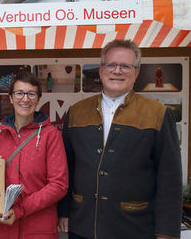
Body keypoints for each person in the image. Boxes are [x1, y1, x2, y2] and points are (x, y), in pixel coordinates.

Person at [58, 39, 182, 239]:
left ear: (137, 72)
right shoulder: (76, 112)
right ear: (101, 70)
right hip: (83, 226)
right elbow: (67, 167)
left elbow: (169, 178)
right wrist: (63, 211)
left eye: (125, 66)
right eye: (111, 65)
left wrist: (166, 232)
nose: (117, 71)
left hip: (134, 228)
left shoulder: (157, 113)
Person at [0, 71, 68, 239]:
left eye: (31, 94)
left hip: (36, 230)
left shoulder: (51, 135)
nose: (25, 99)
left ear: (38, 98)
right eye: (19, 93)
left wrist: (21, 210)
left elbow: (58, 185)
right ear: (11, 98)